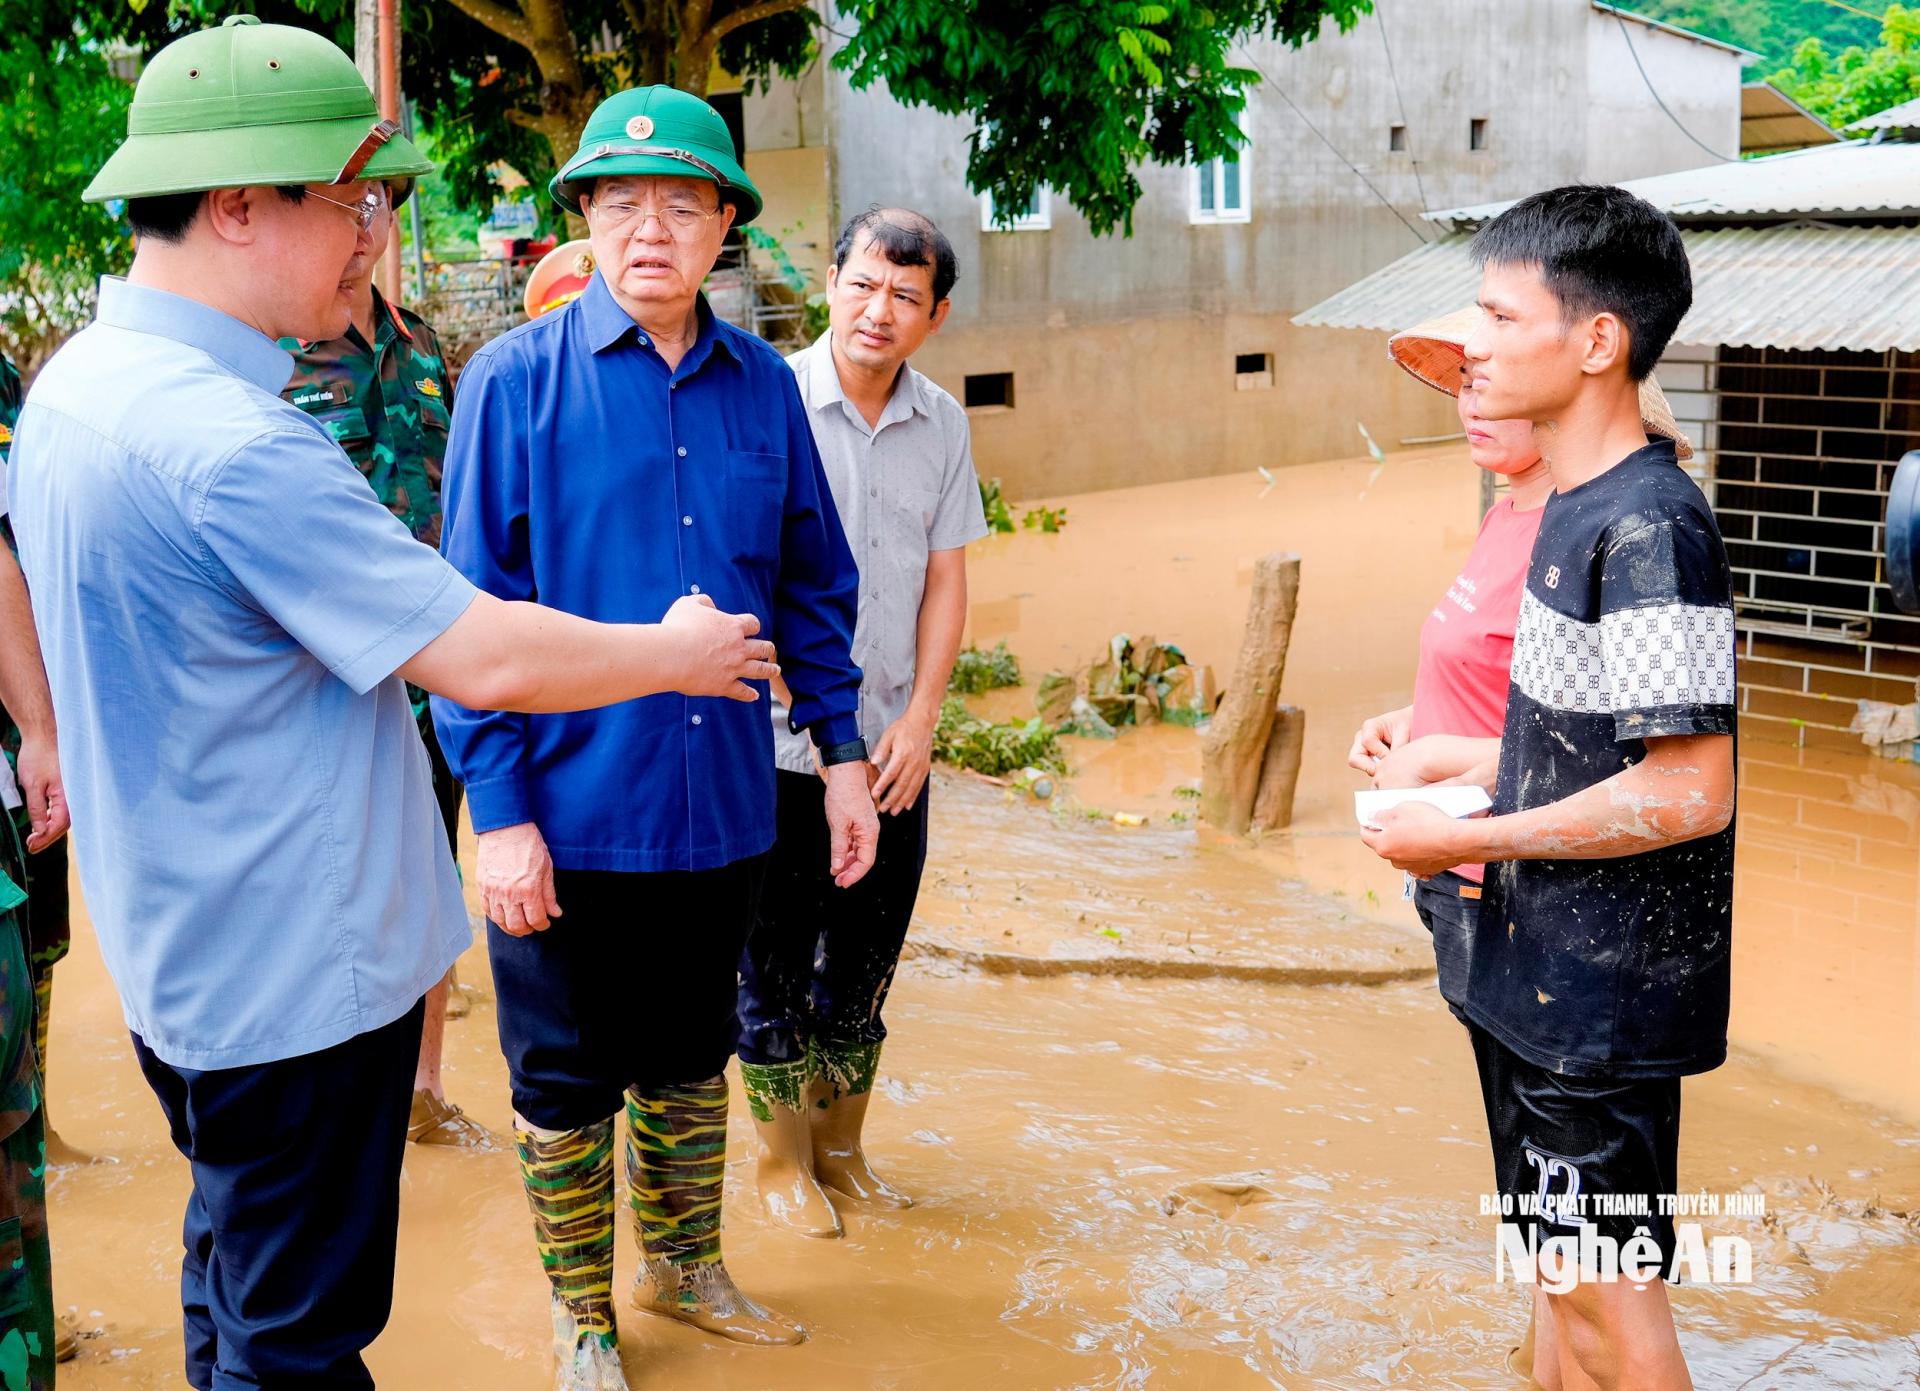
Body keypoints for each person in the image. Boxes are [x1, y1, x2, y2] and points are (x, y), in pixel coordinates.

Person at [8, 20, 775, 1388]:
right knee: (301, 1343)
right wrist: (674, 649)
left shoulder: (77, 387)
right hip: (295, 981)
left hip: (185, 954)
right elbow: (480, 651)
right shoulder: (236, 441)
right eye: (352, 200)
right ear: (240, 205)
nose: (374, 235)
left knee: (233, 1279)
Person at [434, 85, 878, 1388]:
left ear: (725, 225)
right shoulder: (511, 387)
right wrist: (499, 812)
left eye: (683, 203)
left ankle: (684, 1266)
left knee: (693, 1049)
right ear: (582, 215)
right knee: (564, 1072)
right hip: (568, 811)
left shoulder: (763, 391)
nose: (649, 228)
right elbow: (469, 617)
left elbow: (811, 585)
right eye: (620, 201)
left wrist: (843, 754)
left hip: (723, 803)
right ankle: (584, 1313)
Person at [1361, 184, 1732, 1391]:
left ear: (1594, 341)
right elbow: (1585, 744)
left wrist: (1470, 831)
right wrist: (1449, 772)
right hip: (1542, 966)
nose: (1472, 344)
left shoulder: (1650, 528)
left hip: (1599, 998)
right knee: (1565, 1302)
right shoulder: (1565, 508)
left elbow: (1688, 790)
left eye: (1496, 313)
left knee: (1617, 1323)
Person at [736, 208, 986, 1237]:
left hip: (893, 753)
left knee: (867, 965)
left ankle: (844, 1154)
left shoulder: (945, 422)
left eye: (904, 296)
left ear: (934, 315)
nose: (878, 311)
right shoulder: (768, 401)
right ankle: (780, 1167)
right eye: (863, 285)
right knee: (771, 969)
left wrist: (923, 719)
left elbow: (947, 578)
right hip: (779, 753)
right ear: (831, 279)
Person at [280, 184, 488, 1149]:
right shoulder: (271, 357)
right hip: (323, 682)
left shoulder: (426, 348)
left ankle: (424, 1089)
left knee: (430, 875)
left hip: (433, 671)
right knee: (327, 884)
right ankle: (333, 1097)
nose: (363, 230)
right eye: (341, 206)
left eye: (377, 207)